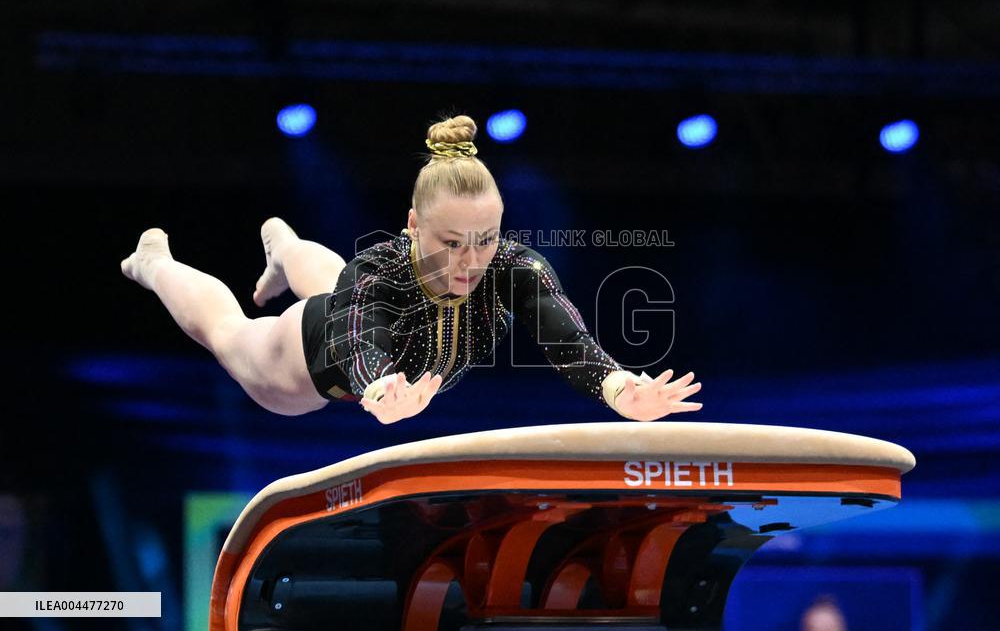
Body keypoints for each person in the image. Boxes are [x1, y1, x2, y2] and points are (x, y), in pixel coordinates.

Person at [121, 115, 703, 424]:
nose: (471, 261)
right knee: (228, 333)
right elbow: (361, 343)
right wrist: (377, 385)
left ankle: (285, 248)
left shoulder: (514, 270)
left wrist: (621, 387)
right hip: (315, 355)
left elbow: (567, 339)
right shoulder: (380, 270)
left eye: (486, 240)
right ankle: (155, 263)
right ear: (413, 226)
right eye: (451, 242)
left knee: (334, 281)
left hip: (354, 316)